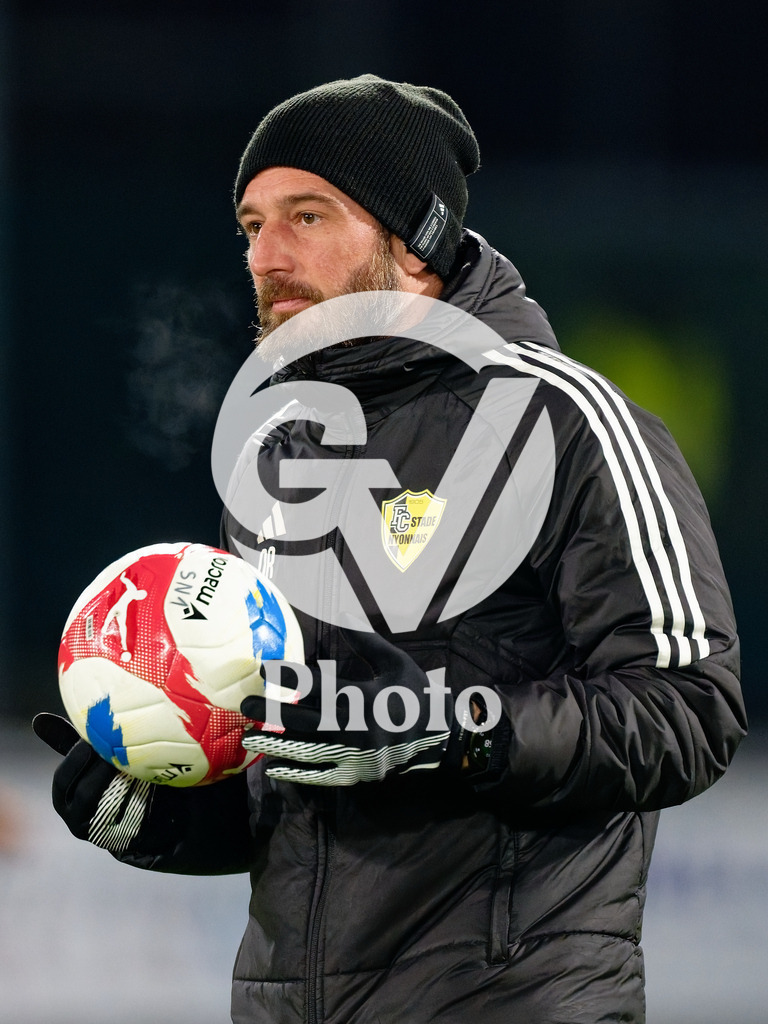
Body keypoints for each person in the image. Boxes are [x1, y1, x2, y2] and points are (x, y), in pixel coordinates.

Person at [35, 75, 746, 1024]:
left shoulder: (566, 424)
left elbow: (690, 708)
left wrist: (462, 733)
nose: (266, 256)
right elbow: (291, 787)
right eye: (251, 225)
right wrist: (151, 809)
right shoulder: (277, 457)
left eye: (307, 216)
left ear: (416, 241)